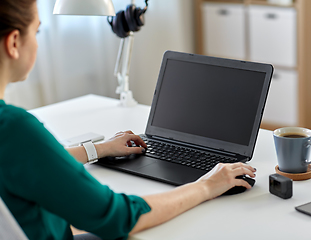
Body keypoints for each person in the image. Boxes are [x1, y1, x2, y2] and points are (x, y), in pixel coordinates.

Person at [0, 0, 257, 239]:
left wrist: (99, 149)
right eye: (37, 32)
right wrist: (206, 186)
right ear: (13, 43)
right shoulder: (14, 128)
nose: (36, 42)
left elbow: (34, 163)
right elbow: (118, 217)